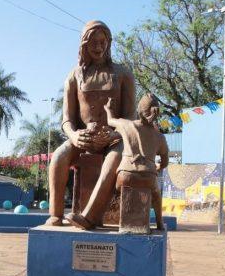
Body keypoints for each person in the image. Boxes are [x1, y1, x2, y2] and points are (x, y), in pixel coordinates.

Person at [46, 20, 136, 226]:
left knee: (114, 159)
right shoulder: (73, 76)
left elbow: (131, 116)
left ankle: (90, 216)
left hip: (115, 138)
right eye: (93, 42)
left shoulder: (123, 74)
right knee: (59, 156)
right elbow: (66, 120)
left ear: (109, 43)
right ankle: (56, 214)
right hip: (83, 138)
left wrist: (114, 135)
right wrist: (75, 136)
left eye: (102, 42)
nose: (98, 47)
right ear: (84, 44)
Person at [68, 94, 169, 230]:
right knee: (156, 195)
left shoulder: (126, 124)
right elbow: (165, 162)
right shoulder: (160, 137)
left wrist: (108, 108)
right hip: (148, 177)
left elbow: (110, 120)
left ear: (138, 111)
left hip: (125, 176)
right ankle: (160, 223)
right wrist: (157, 167)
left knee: (111, 189)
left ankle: (96, 216)